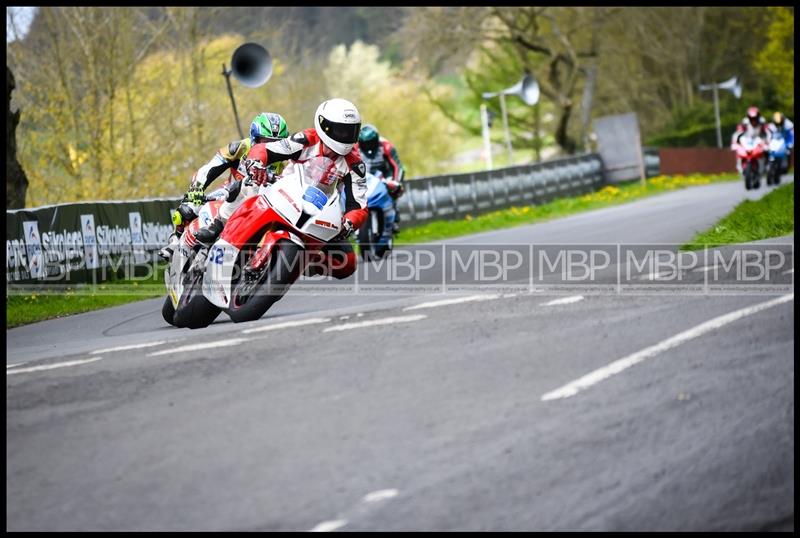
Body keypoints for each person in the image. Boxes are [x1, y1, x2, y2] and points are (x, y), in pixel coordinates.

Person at [193, 98, 368, 280]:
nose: (345, 136)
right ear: (324, 126)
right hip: (284, 195)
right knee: (248, 184)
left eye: (351, 131)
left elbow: (359, 206)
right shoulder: (306, 139)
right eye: (340, 130)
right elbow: (268, 149)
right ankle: (218, 225)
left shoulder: (355, 165)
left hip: (320, 213)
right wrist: (256, 162)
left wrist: (349, 223)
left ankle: (304, 262)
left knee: (348, 263)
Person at [158, 112, 289, 260]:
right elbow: (211, 166)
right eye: (265, 140)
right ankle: (176, 239)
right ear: (254, 137)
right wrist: (197, 188)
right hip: (227, 192)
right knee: (190, 206)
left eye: (274, 142)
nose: (268, 146)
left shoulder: (284, 165)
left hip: (257, 205)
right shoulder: (239, 147)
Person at [356, 124, 405, 231]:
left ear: (377, 140)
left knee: (395, 189)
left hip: (383, 175)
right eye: (365, 144)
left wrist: (396, 182)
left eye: (371, 143)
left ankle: (393, 214)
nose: (369, 147)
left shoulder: (386, 146)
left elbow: (398, 167)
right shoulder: (354, 148)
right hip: (364, 176)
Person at [731, 106, 769, 175]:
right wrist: (735, 143)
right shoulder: (744, 122)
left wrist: (767, 142)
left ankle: (767, 164)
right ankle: (740, 166)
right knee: (739, 150)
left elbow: (767, 132)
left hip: (759, 139)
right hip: (747, 141)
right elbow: (737, 133)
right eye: (751, 119)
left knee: (766, 150)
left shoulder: (762, 122)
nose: (753, 120)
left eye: (755, 118)